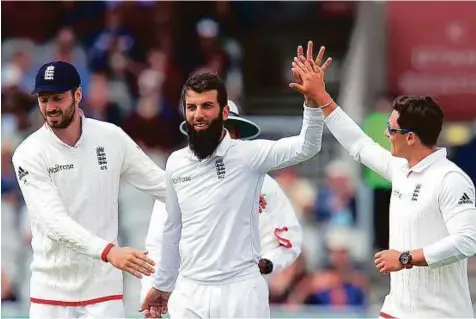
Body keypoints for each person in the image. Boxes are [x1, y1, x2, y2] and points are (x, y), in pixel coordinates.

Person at [140, 41, 330, 318]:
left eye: (207, 106)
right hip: (189, 290)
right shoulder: (176, 163)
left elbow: (307, 146)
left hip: (240, 290)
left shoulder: (249, 157)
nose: (199, 115)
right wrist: (160, 286)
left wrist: (313, 102)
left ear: (224, 114)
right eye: (192, 108)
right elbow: (169, 234)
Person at [291, 43, 476, 317]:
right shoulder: (399, 169)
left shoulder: (451, 179)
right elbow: (358, 144)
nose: (386, 133)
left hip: (441, 313)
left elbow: (466, 242)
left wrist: (404, 258)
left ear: (411, 137)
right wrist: (321, 96)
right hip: (397, 309)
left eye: (391, 128)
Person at [12, 61, 166, 318]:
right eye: (44, 99)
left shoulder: (110, 137)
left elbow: (161, 185)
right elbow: (54, 222)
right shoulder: (29, 153)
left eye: (58, 98)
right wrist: (109, 252)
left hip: (103, 293)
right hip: (50, 295)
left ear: (78, 95)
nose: (50, 107)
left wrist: (240, 197)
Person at [139, 100, 303, 304]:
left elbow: (290, 240)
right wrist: (150, 290)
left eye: (225, 130)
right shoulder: (176, 179)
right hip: (190, 296)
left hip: (241, 296)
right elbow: (157, 245)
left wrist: (268, 263)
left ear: (237, 136)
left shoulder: (264, 185)